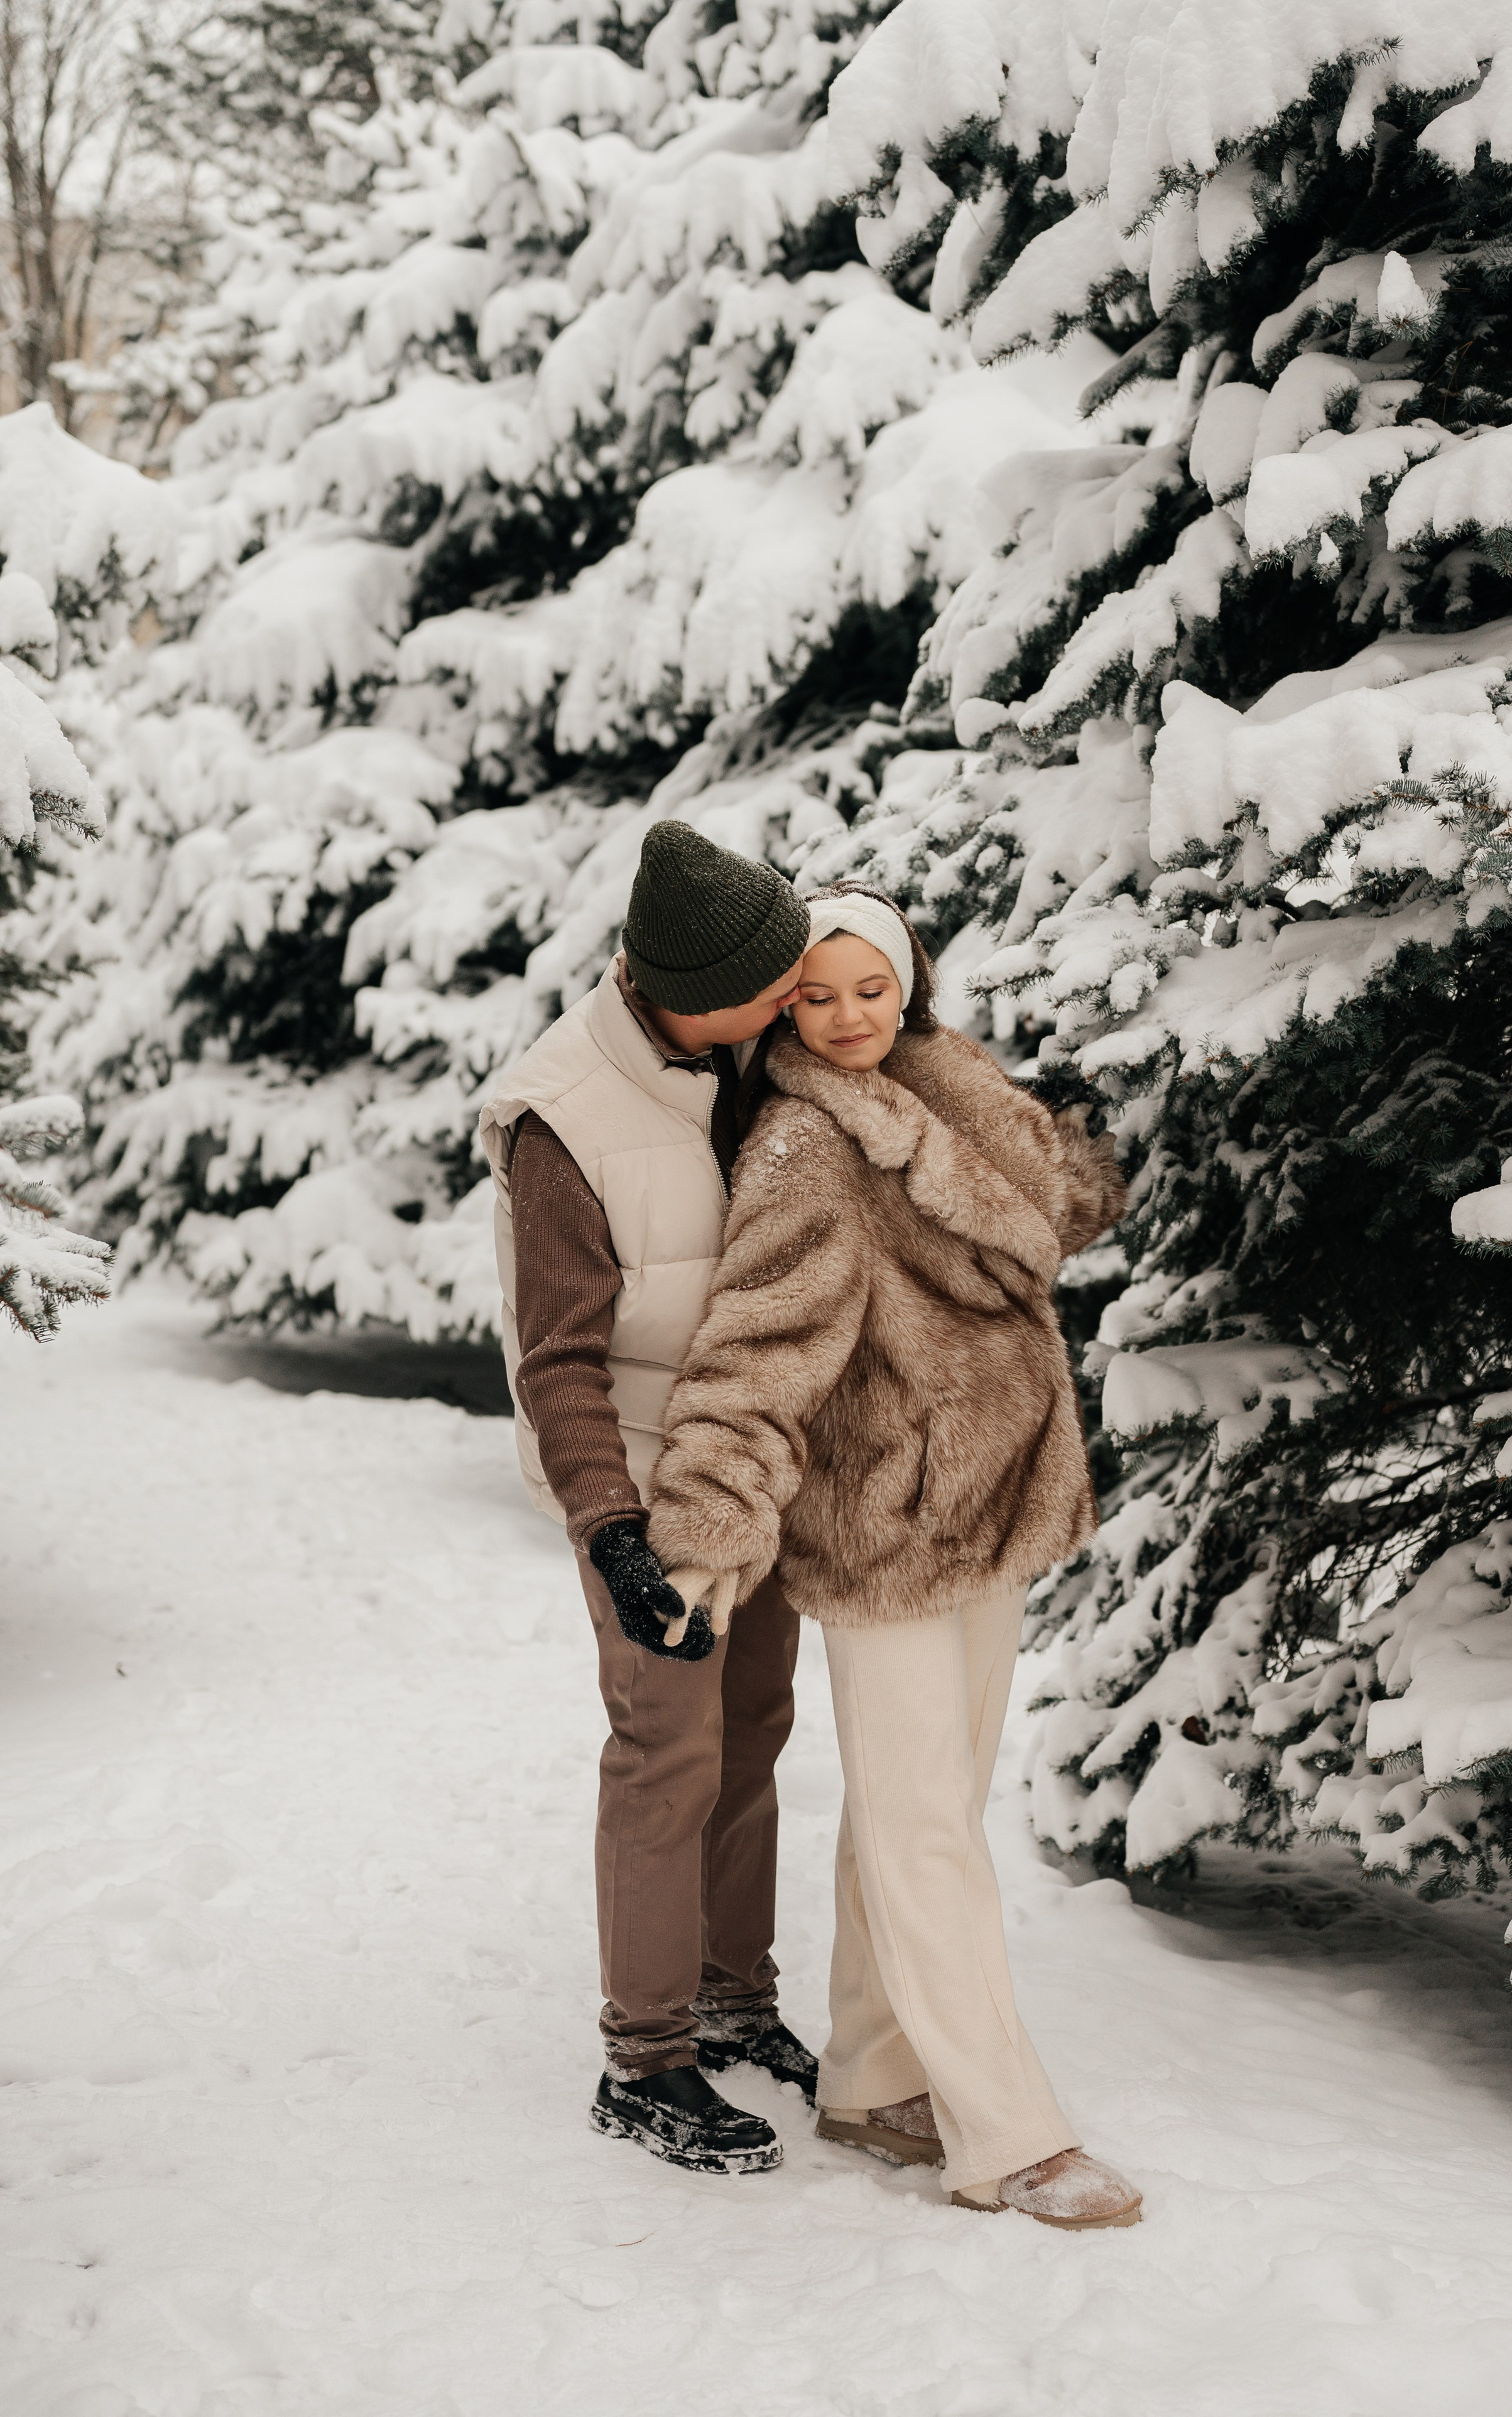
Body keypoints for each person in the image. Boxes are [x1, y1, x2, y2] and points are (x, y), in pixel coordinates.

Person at [647, 883, 1143, 2231]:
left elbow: (1039, 1209)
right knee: (926, 1827)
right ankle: (1007, 2135)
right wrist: (703, 1521)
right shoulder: (805, 1148)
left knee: (919, 1814)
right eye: (816, 994)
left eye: (870, 986)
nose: (848, 1015)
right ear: (781, 1007)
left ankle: (871, 2078)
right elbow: (753, 1350)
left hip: (992, 1512)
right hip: (882, 1531)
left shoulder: (948, 1078)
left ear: (909, 981)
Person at [478, 820, 819, 2178]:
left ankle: (738, 1997)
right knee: (666, 1751)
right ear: (695, 991)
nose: (798, 997)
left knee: (753, 1729)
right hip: (646, 1480)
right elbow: (553, 1360)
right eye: (775, 980)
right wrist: (612, 1538)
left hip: (760, 1462)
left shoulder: (746, 1049)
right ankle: (647, 2056)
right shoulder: (561, 1117)